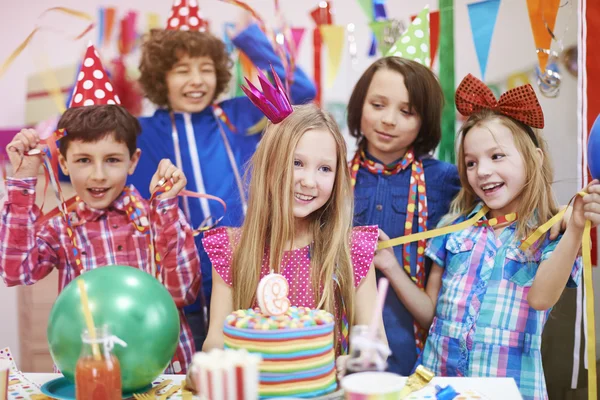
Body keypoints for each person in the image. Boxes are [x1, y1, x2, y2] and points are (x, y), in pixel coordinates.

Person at [0, 44, 200, 374]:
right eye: (82, 160)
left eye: (112, 160)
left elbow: (183, 292)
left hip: (164, 372)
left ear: (133, 161)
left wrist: (165, 209)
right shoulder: (61, 226)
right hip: (88, 374)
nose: (98, 175)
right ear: (63, 162)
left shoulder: (156, 216)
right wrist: (23, 180)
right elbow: (15, 271)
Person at [129, 0, 316, 349]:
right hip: (180, 273)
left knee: (259, 353)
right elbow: (90, 139)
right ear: (160, 78)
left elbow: (300, 90)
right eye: (182, 70)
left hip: (247, 260)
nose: (196, 80)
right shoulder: (143, 132)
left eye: (205, 68)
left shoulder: (240, 115)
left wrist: (249, 37)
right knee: (202, 356)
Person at [416, 74, 600, 399]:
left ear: (535, 160)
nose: (482, 171)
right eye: (471, 162)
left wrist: (574, 229)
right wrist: (387, 263)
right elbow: (432, 315)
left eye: (497, 156)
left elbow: (540, 298)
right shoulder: (454, 228)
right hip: (436, 385)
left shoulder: (553, 231)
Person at [200, 101, 386, 358]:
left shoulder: (351, 250)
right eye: (297, 163)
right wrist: (211, 364)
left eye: (324, 169)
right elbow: (215, 342)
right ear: (269, 165)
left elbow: (375, 343)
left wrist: (358, 361)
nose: (309, 181)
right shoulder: (231, 249)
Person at [346, 56, 460, 375]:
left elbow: (505, 206)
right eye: (378, 105)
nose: (388, 120)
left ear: (425, 120)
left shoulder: (446, 180)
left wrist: (559, 218)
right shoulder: (332, 174)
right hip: (339, 349)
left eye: (406, 111)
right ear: (359, 105)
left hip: (416, 356)